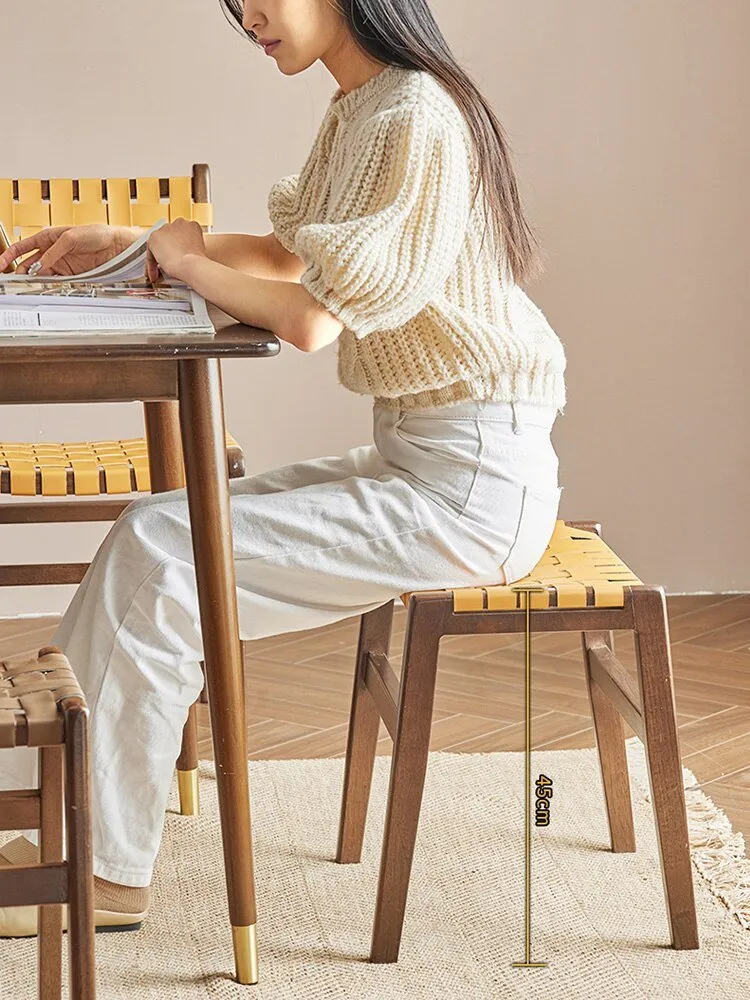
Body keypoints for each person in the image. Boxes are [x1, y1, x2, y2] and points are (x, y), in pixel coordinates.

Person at [0, 0, 566, 935]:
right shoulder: (368, 103)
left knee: (164, 550)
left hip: (471, 487)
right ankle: (49, 817)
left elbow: (309, 319)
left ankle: (101, 870)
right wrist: (142, 247)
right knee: (155, 535)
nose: (250, 16)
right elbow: (294, 256)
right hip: (426, 455)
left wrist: (180, 259)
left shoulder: (415, 114)